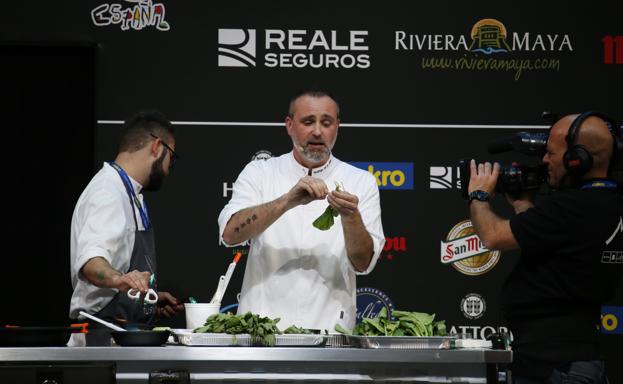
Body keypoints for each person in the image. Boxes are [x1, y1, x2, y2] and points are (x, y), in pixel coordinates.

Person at [468, 112, 623, 383]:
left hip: (556, 367)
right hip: (572, 360)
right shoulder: (606, 202)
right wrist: (522, 207)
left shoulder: (572, 207)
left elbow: (492, 236)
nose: (544, 160)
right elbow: (555, 241)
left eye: (551, 153)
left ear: (577, 159)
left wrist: (478, 195)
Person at [218, 90, 385, 331]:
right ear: (289, 126)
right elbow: (230, 234)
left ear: (337, 127)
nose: (317, 131)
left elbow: (363, 263)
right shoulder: (260, 172)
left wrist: (351, 216)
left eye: (326, 123)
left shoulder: (361, 181)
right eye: (308, 122)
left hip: (331, 333)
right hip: (261, 333)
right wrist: (287, 201)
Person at [69, 110, 184, 346]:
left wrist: (146, 300)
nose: (170, 168)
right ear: (156, 147)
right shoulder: (107, 193)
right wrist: (122, 280)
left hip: (121, 332)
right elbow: (91, 263)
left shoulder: (129, 193)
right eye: (171, 157)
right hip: (100, 340)